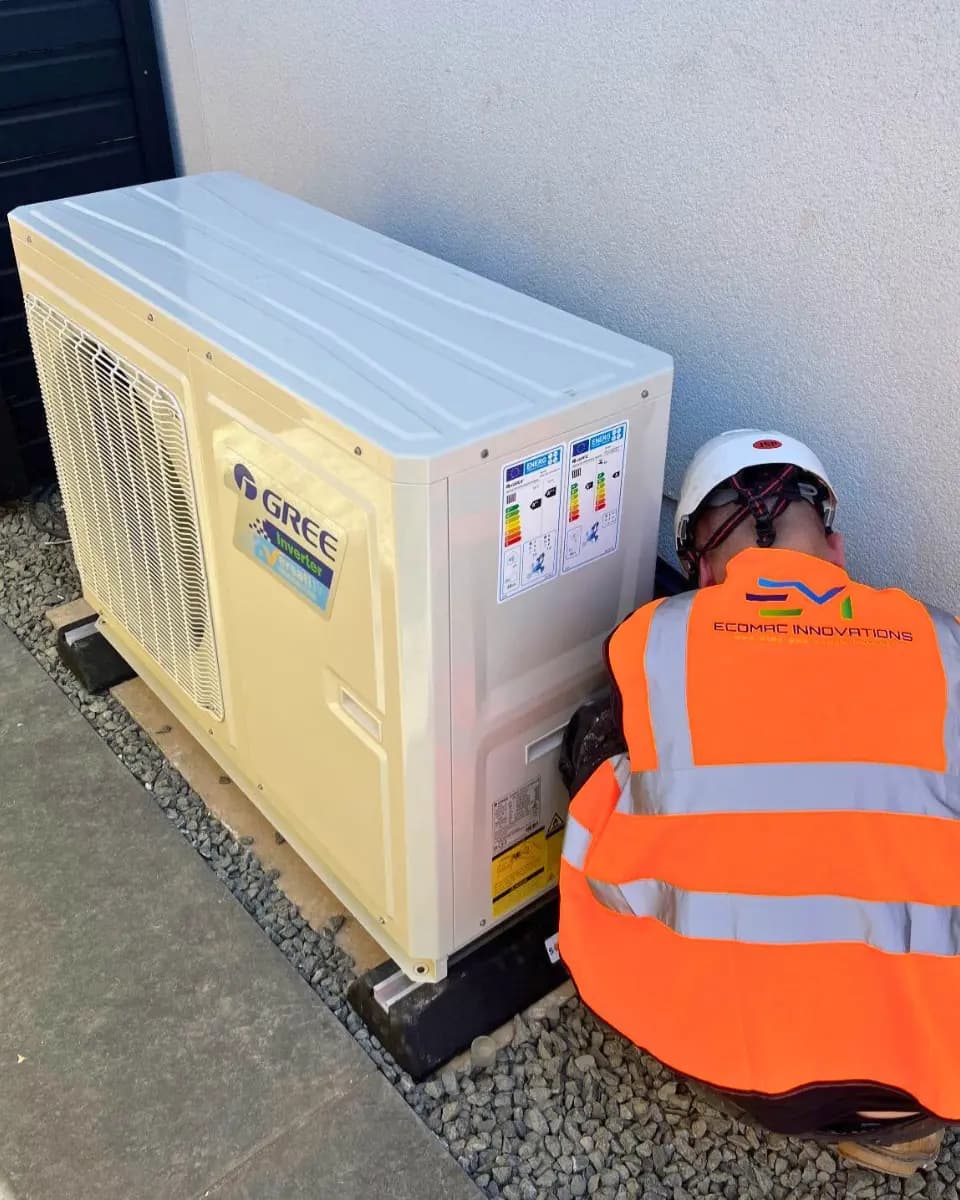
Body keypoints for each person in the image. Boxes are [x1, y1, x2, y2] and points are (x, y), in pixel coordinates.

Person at [558, 429, 960, 1177]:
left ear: (699, 569)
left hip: (736, 1063)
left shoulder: (655, 641)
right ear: (836, 547)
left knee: (603, 749)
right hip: (934, 1068)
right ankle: (900, 1124)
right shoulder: (943, 644)